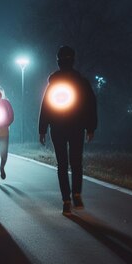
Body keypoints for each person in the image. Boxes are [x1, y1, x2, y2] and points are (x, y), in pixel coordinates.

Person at [38, 45, 97, 215]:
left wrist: (42, 129)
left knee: (63, 165)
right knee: (74, 162)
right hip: (75, 127)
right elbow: (90, 105)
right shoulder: (81, 82)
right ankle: (73, 195)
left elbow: (45, 107)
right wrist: (90, 127)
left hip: (59, 128)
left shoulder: (54, 84)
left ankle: (67, 199)